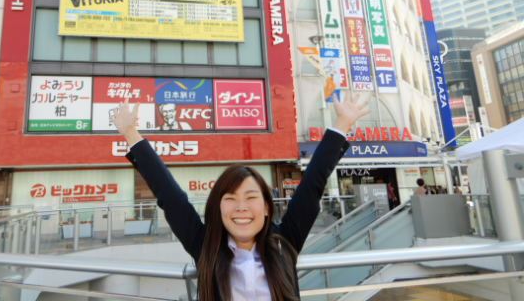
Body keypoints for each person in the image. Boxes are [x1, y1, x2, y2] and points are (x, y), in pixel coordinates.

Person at [114, 93, 369, 300]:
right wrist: (130, 133)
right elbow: (170, 196)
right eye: (230, 198)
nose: (241, 207)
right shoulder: (206, 245)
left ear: (267, 207)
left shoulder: (285, 241)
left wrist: (342, 124)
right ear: (218, 207)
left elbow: (312, 183)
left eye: (251, 197)